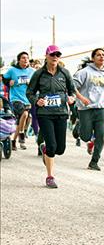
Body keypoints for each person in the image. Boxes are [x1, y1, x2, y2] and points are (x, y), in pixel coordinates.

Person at [26, 45, 76, 188]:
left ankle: (45, 150)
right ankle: (50, 176)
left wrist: (71, 98)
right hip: (45, 114)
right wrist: (37, 100)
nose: (55, 57)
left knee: (60, 149)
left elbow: (72, 91)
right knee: (52, 146)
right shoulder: (39, 74)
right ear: (46, 56)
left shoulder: (65, 73)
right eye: (52, 55)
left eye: (57, 55)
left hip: (61, 113)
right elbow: (29, 92)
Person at [73, 48, 104, 170]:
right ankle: (80, 125)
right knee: (85, 137)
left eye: (103, 55)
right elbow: (72, 87)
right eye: (98, 55)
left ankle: (94, 161)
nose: (101, 57)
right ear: (93, 58)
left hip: (101, 108)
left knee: (101, 136)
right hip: (85, 108)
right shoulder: (84, 72)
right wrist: (81, 98)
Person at [3, 51, 35, 150]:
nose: (26, 60)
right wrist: (8, 82)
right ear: (19, 60)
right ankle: (22, 137)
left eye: (27, 58)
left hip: (27, 98)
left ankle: (13, 141)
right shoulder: (12, 70)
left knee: (25, 119)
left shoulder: (32, 71)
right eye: (23, 58)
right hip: (15, 98)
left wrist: (32, 84)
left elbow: (36, 83)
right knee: (25, 114)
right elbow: (4, 78)